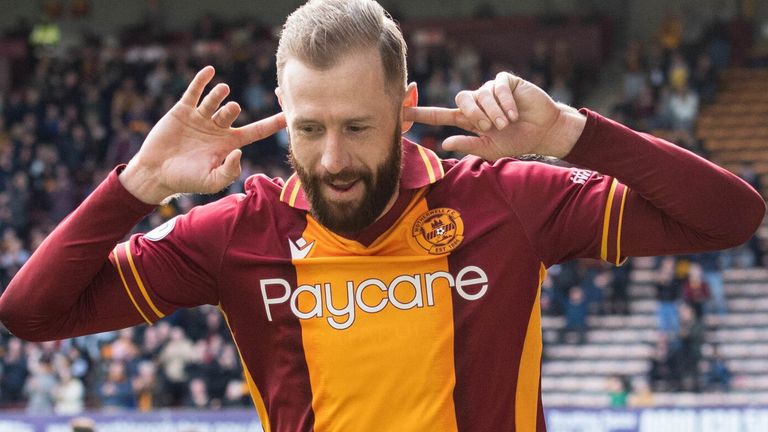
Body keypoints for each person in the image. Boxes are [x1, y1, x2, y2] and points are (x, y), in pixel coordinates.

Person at [0, 0, 763, 430]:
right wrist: (135, 185)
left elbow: (728, 218)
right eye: (309, 129)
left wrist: (572, 133)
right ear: (282, 115)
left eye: (358, 128)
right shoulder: (237, 233)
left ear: (404, 111)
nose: (332, 159)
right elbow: (31, 313)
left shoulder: (505, 199)